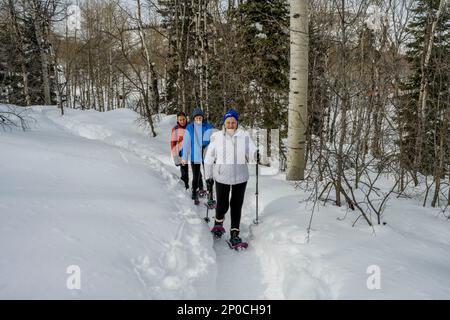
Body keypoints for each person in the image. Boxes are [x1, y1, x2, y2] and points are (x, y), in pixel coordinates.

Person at [204, 109, 257, 247]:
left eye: (233, 122)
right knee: (222, 204)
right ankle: (218, 223)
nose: (231, 124)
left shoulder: (244, 136)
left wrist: (256, 154)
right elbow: (209, 157)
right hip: (222, 177)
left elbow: (251, 150)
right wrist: (208, 176)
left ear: (237, 123)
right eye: (228, 122)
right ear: (224, 123)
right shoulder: (216, 137)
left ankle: (235, 233)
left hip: (240, 177)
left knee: (236, 205)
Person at [181, 107, 214, 204]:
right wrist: (184, 157)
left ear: (203, 117)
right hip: (194, 156)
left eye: (200, 117)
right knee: (196, 176)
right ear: (193, 118)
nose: (198, 120)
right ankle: (195, 192)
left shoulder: (208, 126)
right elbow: (186, 143)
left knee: (208, 175)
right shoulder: (190, 127)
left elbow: (208, 139)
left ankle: (210, 194)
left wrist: (202, 143)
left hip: (206, 155)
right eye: (196, 118)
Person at [170, 112, 189, 189]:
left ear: (186, 118)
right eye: (180, 120)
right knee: (184, 171)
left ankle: (198, 188)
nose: (182, 121)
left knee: (197, 172)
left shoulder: (190, 126)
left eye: (183, 119)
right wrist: (176, 157)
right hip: (182, 152)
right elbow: (173, 143)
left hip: (192, 151)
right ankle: (185, 186)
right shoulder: (175, 129)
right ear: (178, 120)